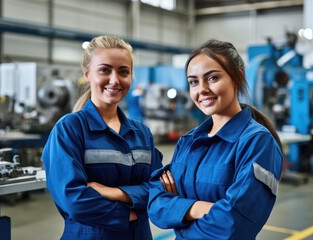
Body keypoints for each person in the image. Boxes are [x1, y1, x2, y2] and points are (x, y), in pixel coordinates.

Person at [147, 39, 283, 240]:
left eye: (212, 78)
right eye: (193, 81)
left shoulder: (257, 142)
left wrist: (179, 214)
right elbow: (155, 204)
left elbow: (233, 224)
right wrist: (199, 208)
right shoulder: (188, 141)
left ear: (238, 76)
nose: (201, 89)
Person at [42, 35, 163, 240]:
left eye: (123, 72)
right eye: (105, 70)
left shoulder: (141, 132)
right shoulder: (69, 129)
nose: (115, 80)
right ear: (87, 74)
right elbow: (74, 199)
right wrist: (130, 214)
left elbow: (159, 189)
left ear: (131, 76)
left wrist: (113, 192)